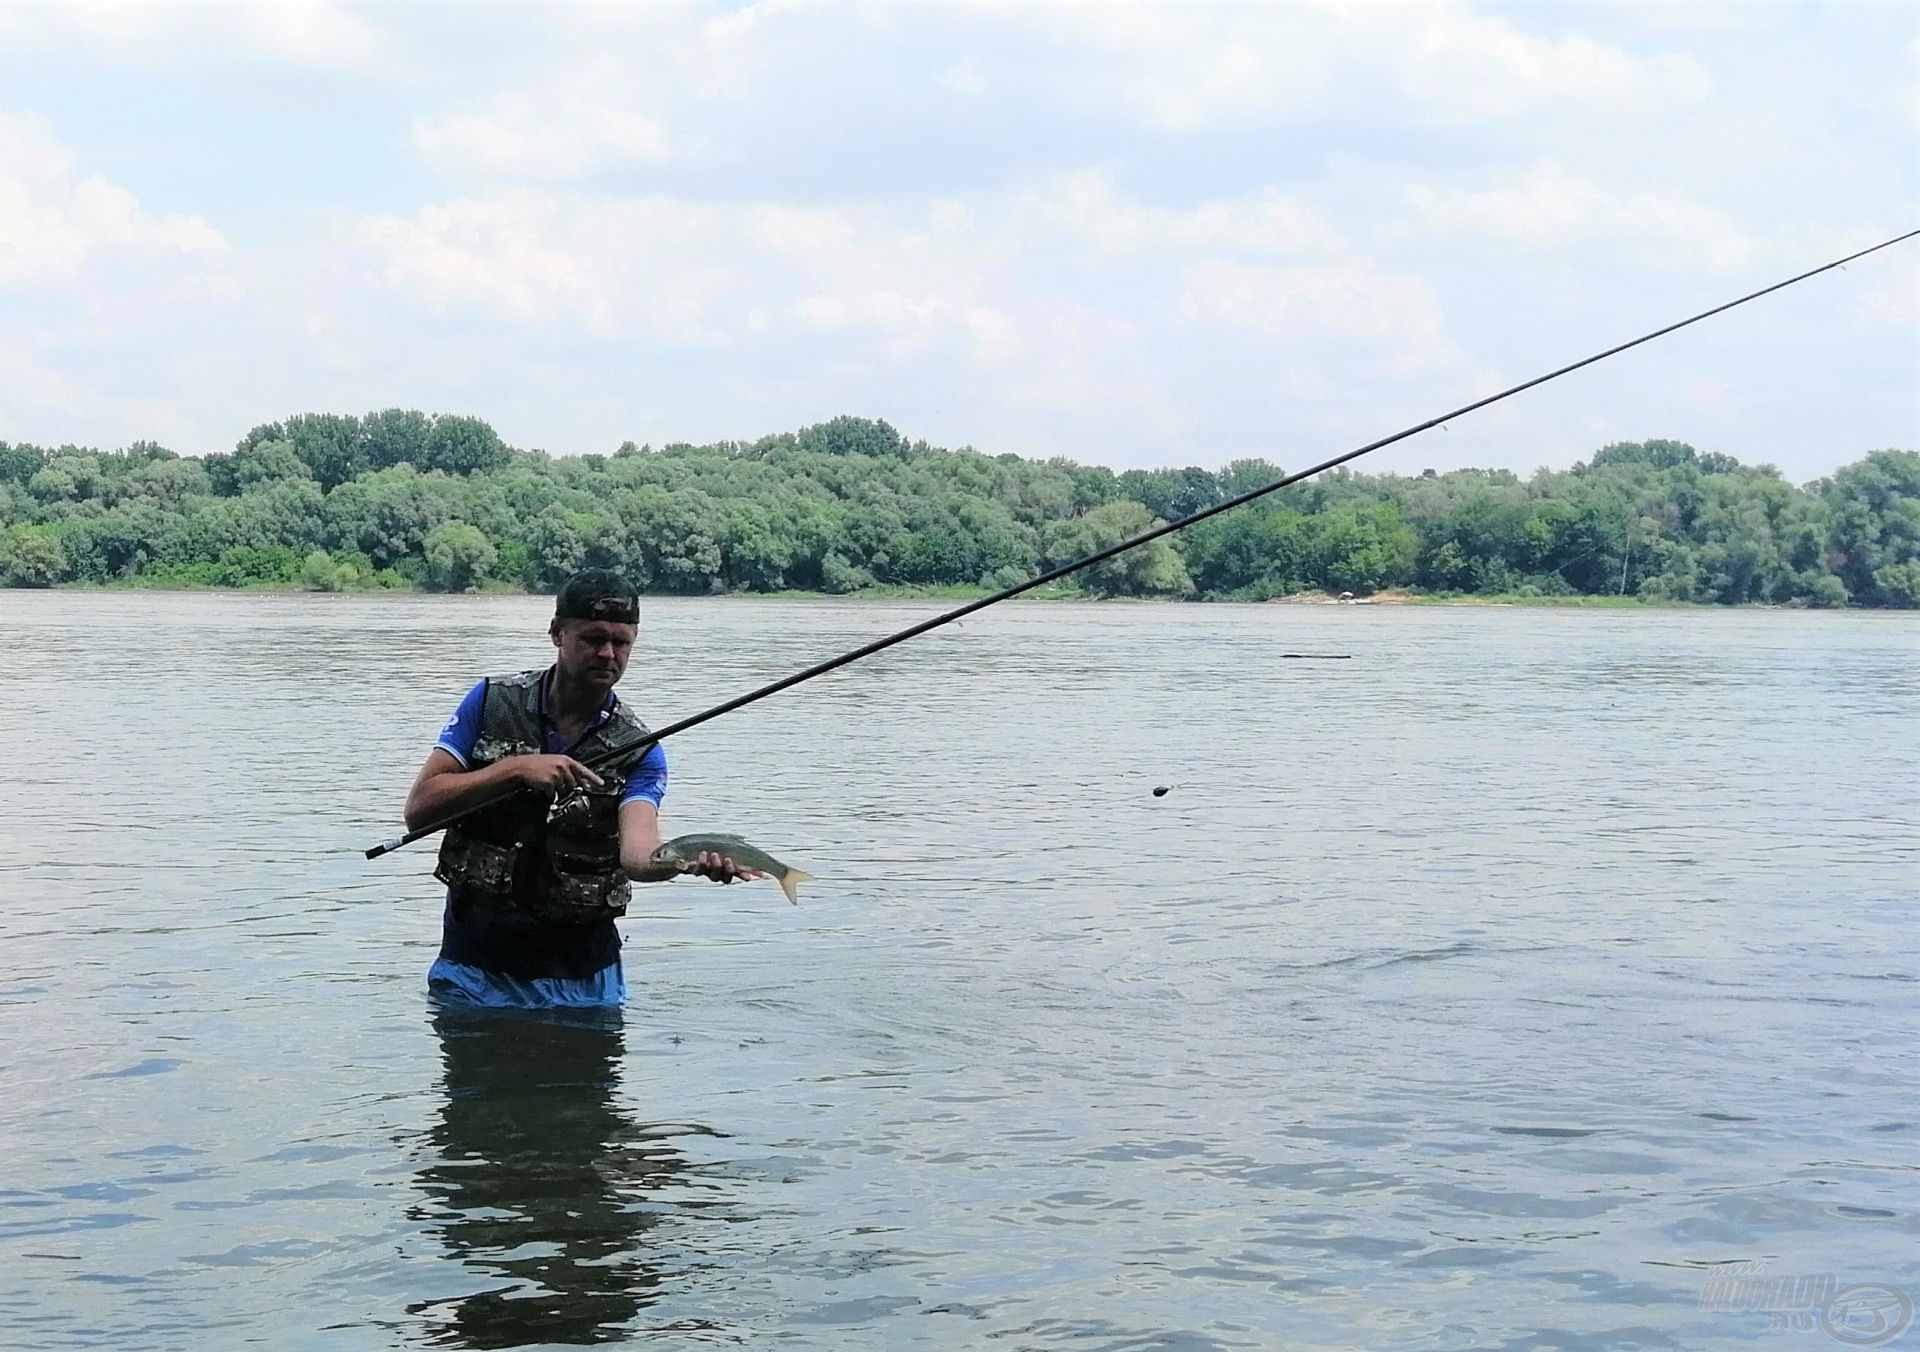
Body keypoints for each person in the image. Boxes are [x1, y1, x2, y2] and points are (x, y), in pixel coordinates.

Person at [404, 568, 757, 1009]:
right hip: (472, 971)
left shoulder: (641, 750)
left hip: (583, 984)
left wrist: (686, 864)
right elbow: (418, 810)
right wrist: (514, 769)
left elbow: (638, 856)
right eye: (592, 638)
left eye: (621, 642)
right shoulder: (490, 702)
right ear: (557, 633)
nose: (607, 653)